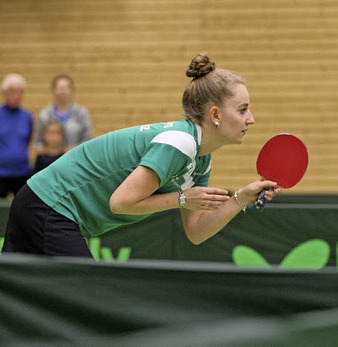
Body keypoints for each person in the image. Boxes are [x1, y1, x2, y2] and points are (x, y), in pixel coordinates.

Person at [2, 53, 281, 257]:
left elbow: (195, 231)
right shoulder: (179, 143)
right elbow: (120, 203)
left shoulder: (200, 157)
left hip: (47, 207)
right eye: (243, 109)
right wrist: (182, 199)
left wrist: (241, 198)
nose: (251, 119)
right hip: (49, 205)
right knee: (84, 291)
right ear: (216, 115)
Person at [36, 74, 92, 153]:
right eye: (59, 88)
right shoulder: (45, 114)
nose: (62, 92)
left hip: (75, 160)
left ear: (72, 91)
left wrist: (71, 151)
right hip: (52, 162)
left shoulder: (81, 113)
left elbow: (88, 140)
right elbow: (39, 142)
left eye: (65, 88)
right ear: (53, 90)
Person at [0, 73, 33, 198]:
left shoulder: (27, 116)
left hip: (22, 172)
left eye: (20, 92)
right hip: (1, 174)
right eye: (13, 91)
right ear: (5, 93)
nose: (16, 95)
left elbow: (28, 140)